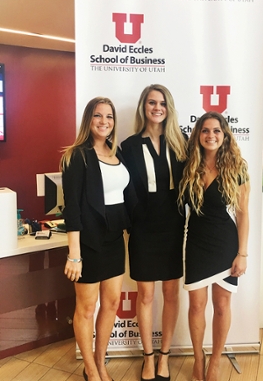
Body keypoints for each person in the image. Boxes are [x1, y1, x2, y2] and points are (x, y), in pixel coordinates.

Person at [61, 96, 136, 381]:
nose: (104, 121)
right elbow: (73, 209)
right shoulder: (76, 156)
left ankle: (101, 361)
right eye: (97, 116)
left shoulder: (117, 153)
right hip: (88, 242)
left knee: (112, 303)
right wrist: (74, 254)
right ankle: (91, 369)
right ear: (88, 120)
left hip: (114, 238)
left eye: (109, 116)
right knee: (87, 307)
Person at [121, 84, 187, 381]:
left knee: (171, 293)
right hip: (144, 228)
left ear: (168, 107)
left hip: (172, 225)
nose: (157, 107)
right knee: (145, 295)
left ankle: (165, 357)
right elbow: (127, 189)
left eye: (162, 103)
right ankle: (148, 357)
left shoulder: (182, 142)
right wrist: (135, 220)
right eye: (151, 102)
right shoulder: (129, 145)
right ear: (143, 107)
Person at [178, 111, 250, 381]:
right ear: (198, 135)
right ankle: (199, 359)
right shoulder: (187, 166)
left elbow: (243, 213)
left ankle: (216, 361)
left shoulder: (237, 167)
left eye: (216, 131)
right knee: (196, 306)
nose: (211, 135)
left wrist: (242, 253)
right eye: (205, 130)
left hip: (226, 244)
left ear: (224, 135)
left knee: (222, 306)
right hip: (196, 243)